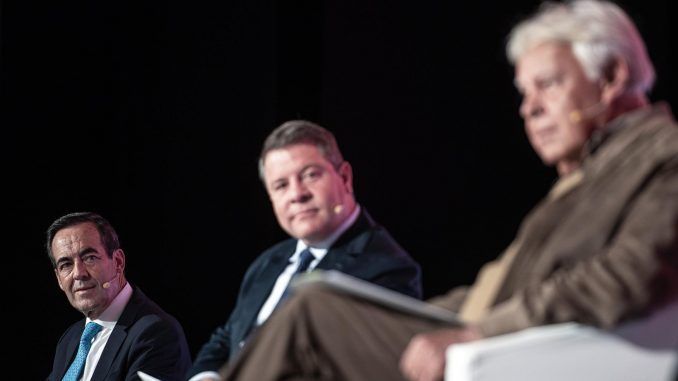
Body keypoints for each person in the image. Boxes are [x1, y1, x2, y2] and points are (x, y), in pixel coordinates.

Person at [217, 1, 678, 381]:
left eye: (548, 85)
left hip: (511, 347)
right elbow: (505, 284)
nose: (529, 109)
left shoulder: (663, 155)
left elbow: (628, 274)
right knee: (321, 308)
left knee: (312, 311)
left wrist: (480, 330)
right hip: (486, 326)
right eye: (524, 92)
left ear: (613, 74)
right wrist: (402, 314)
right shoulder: (586, 176)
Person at [186, 120, 423, 380]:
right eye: (281, 185)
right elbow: (229, 336)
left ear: (345, 177)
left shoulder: (386, 268)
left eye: (310, 175)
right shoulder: (269, 261)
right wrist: (206, 377)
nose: (297, 194)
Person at [46, 212, 192, 381]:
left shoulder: (157, 333)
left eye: (90, 258)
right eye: (66, 265)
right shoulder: (71, 338)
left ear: (118, 262)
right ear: (59, 279)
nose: (79, 273)